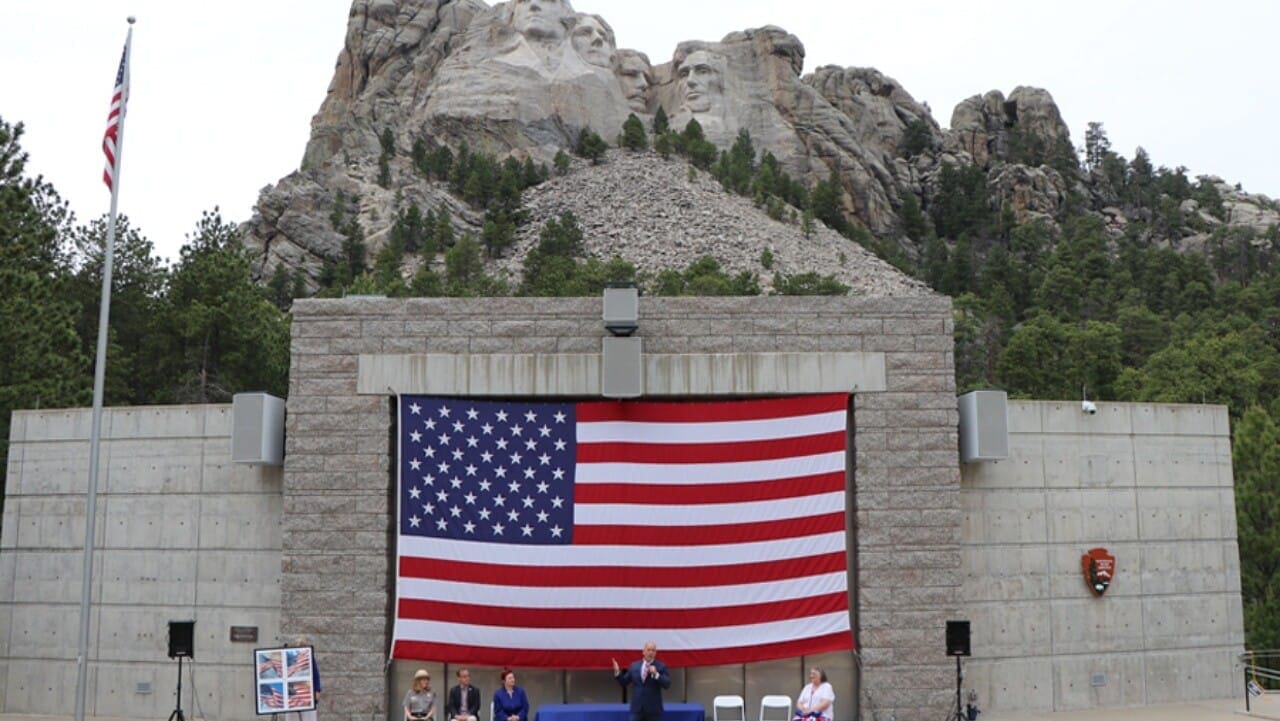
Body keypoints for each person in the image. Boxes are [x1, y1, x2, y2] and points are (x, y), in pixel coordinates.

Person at [612, 641, 670, 721]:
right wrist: (617, 672)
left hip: (653, 710)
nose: (651, 652)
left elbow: (667, 684)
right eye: (648, 650)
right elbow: (624, 682)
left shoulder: (661, 666)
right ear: (643, 652)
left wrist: (656, 674)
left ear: (656, 653)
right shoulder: (634, 666)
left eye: (653, 650)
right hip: (637, 709)